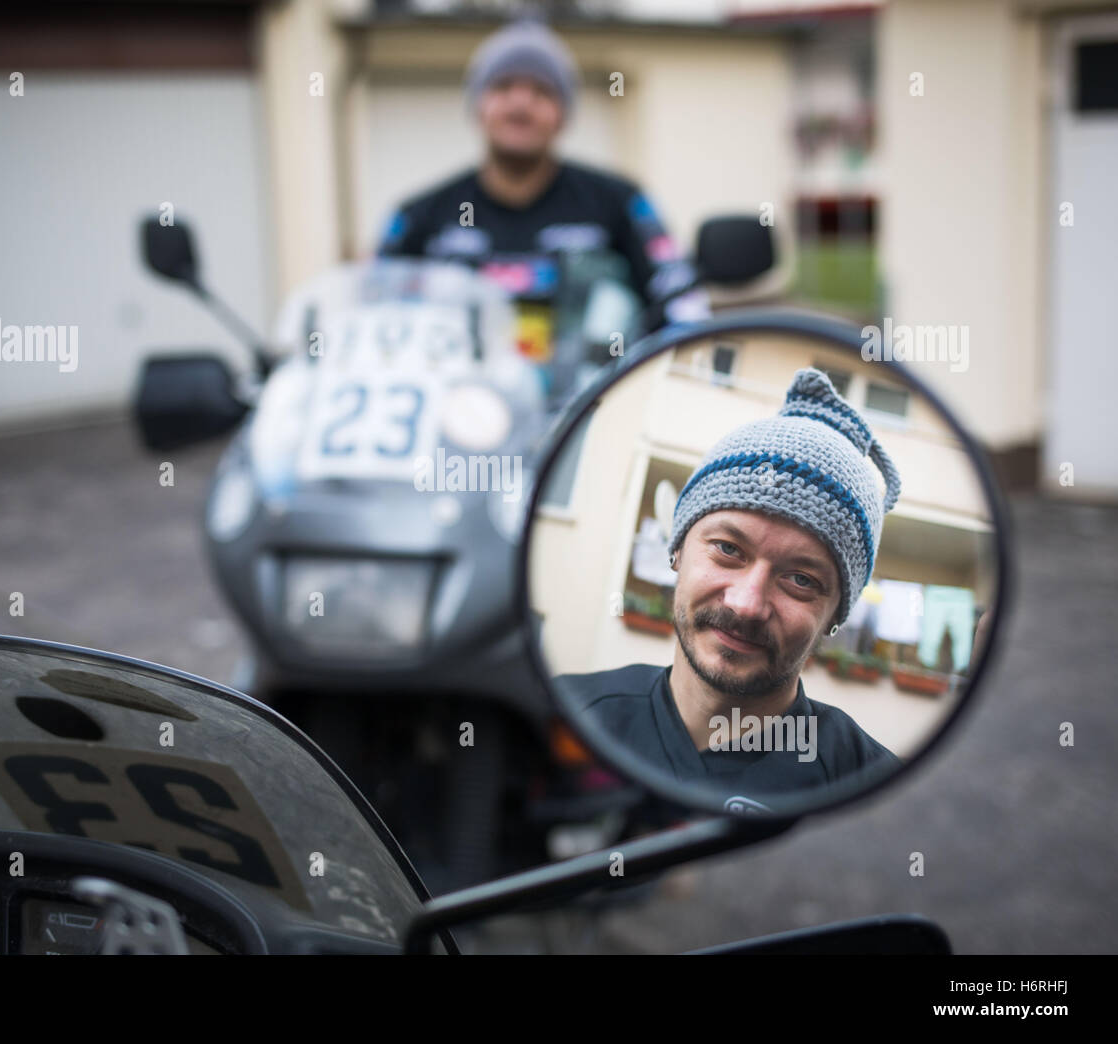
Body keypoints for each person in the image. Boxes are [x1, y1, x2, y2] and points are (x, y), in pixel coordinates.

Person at [558, 368, 904, 811]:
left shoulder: (876, 796)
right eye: (727, 549)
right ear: (678, 550)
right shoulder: (568, 718)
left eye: (801, 580)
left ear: (835, 616)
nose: (746, 604)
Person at [377, 18, 707, 395]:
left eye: (541, 91)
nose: (521, 103)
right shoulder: (420, 216)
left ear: (563, 113)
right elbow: (373, 323)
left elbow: (685, 311)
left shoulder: (620, 203)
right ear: (478, 106)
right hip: (453, 432)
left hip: (592, 426)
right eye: (502, 87)